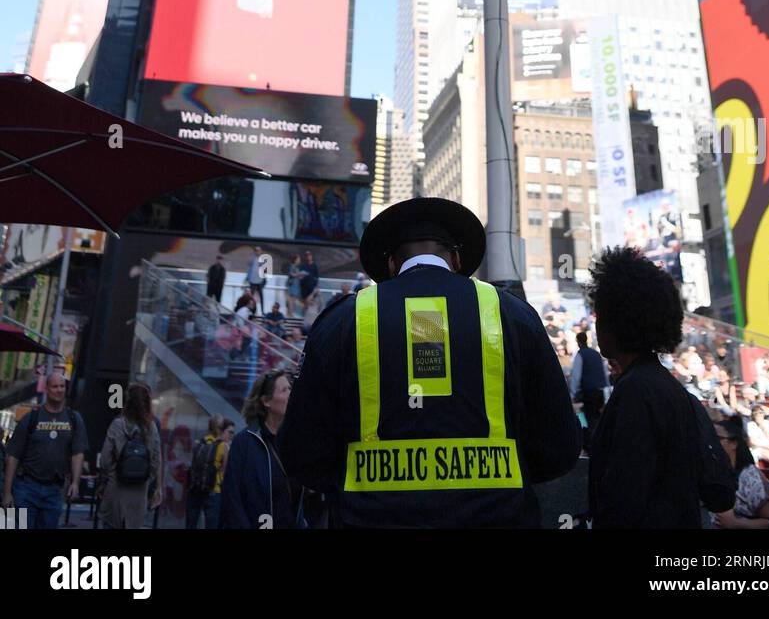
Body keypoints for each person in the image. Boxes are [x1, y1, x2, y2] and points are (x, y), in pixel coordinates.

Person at [278, 196, 581, 528]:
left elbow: (300, 452)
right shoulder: (513, 315)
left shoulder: (344, 320)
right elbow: (560, 447)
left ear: (392, 264)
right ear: (455, 258)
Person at [586, 246, 735, 529]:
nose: (597, 327)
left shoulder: (634, 392)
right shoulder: (673, 389)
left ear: (617, 322)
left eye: (600, 316)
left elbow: (623, 501)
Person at [2, 371, 88, 528]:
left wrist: (75, 482)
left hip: (54, 490)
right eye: (55, 386)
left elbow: (77, 453)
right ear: (47, 389)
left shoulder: (74, 419)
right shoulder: (31, 417)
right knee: (17, 526)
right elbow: (13, 456)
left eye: (62, 386)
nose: (59, 390)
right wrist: (7, 493)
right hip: (25, 487)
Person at [220, 372, 296, 529]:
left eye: (290, 388)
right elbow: (232, 498)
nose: (291, 393)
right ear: (266, 401)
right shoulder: (244, 442)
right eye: (284, 390)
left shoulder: (296, 441)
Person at [97, 382, 161, 529]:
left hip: (115, 493)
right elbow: (156, 461)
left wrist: (107, 479)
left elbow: (105, 461)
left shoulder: (117, 425)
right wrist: (146, 479)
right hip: (138, 495)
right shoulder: (151, 428)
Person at [710, 414, 769, 529]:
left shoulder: (750, 477)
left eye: (717, 439)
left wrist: (735, 523)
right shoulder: (709, 472)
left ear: (733, 443)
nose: (711, 443)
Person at [185, 415, 225, 529]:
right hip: (213, 490)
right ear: (220, 429)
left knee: (191, 524)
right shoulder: (222, 446)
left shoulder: (199, 443)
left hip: (195, 489)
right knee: (211, 525)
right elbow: (225, 471)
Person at [570, 331, 609, 445]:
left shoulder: (581, 354)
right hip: (601, 390)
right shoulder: (596, 353)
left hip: (589, 391)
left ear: (578, 342)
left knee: (591, 420)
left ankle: (594, 445)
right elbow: (604, 372)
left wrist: (572, 394)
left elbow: (576, 376)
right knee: (599, 418)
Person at [246, 246, 267, 315]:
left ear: (261, 251)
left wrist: (264, 279)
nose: (257, 252)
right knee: (251, 297)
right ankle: (252, 310)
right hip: (252, 280)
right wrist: (248, 278)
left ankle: (262, 311)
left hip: (260, 281)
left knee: (261, 296)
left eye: (259, 250)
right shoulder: (252, 258)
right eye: (256, 250)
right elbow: (249, 268)